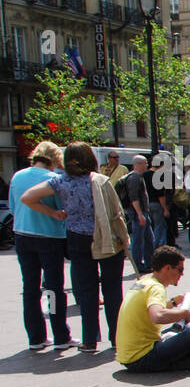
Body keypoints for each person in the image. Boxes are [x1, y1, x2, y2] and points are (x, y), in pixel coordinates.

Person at [22, 142, 129, 352]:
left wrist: (54, 213)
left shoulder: (60, 181)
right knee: (112, 289)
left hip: (77, 238)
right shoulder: (100, 180)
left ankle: (89, 339)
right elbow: (117, 212)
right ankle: (117, 338)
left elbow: (27, 198)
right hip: (104, 236)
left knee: (87, 290)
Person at [11, 142, 73, 351]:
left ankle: (36, 337)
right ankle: (60, 335)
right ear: (55, 159)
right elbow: (62, 209)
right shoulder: (53, 180)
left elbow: (13, 206)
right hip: (49, 236)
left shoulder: (17, 176)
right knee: (54, 289)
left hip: (22, 234)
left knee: (30, 288)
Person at [116, 246, 190, 371]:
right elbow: (157, 315)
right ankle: (185, 362)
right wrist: (183, 313)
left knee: (185, 329)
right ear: (167, 268)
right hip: (142, 356)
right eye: (180, 269)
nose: (182, 274)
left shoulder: (145, 281)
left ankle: (187, 360)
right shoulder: (157, 288)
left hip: (129, 355)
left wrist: (173, 302)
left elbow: (148, 308)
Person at [122, 154, 152, 272]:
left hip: (142, 212)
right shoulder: (134, 178)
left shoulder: (138, 176)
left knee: (148, 238)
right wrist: (140, 214)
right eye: (145, 163)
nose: (147, 165)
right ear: (138, 164)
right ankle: (138, 265)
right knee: (138, 239)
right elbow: (133, 197)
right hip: (138, 213)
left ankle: (148, 263)